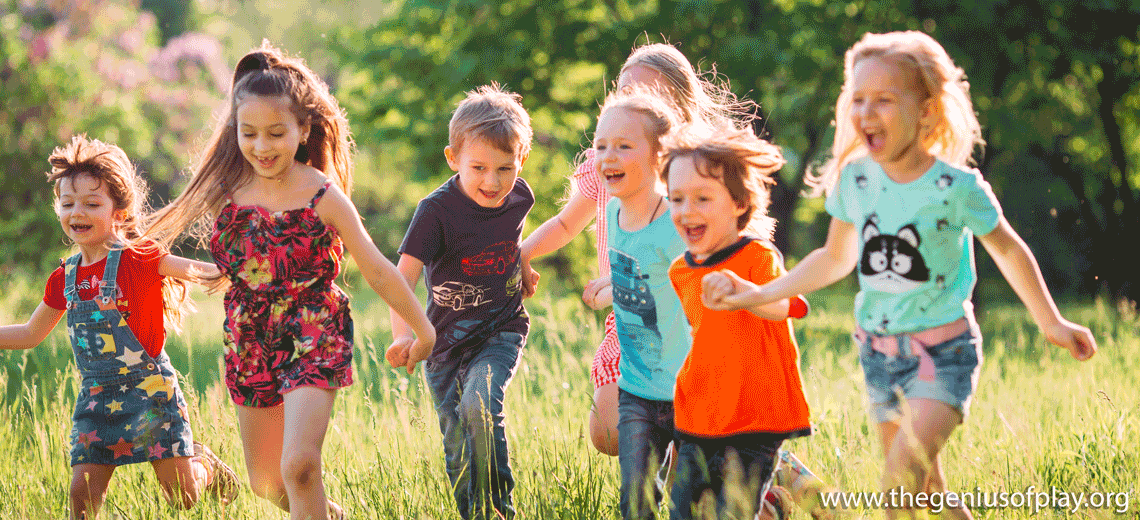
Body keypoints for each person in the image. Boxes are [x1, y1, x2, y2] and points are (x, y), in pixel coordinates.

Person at [702, 31, 1098, 520]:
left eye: (884, 100)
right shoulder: (856, 180)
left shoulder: (956, 187)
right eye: (859, 100)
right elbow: (833, 258)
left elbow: (1010, 251)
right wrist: (758, 293)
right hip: (881, 358)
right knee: (926, 491)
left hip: (942, 354)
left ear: (926, 110)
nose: (867, 112)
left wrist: (1052, 323)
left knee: (897, 489)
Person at [145, 43, 436, 520]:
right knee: (267, 483)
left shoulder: (323, 194)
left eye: (276, 133)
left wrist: (423, 330)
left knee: (300, 465)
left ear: (303, 129)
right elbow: (165, 249)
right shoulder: (226, 192)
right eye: (250, 133)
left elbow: (378, 268)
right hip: (248, 338)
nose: (262, 147)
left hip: (314, 329)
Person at [520, 42, 756, 457]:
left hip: (686, 324)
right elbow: (563, 224)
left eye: (649, 98)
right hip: (631, 324)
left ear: (675, 116)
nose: (633, 105)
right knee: (611, 431)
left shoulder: (686, 179)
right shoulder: (603, 167)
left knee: (698, 421)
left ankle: (762, 472)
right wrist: (519, 254)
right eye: (625, 94)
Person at [0, 136, 239, 520]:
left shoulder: (140, 257)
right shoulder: (64, 278)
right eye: (68, 203)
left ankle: (204, 467)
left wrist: (240, 267)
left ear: (121, 213)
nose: (78, 211)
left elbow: (201, 271)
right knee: (81, 494)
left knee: (183, 497)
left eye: (92, 204)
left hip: (151, 391)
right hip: (97, 398)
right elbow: (31, 333)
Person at [386, 84, 534, 520]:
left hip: (501, 328)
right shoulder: (435, 212)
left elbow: (510, 236)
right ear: (453, 159)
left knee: (480, 404)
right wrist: (406, 336)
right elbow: (401, 280)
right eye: (479, 167)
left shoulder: (520, 196)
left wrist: (521, 264)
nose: (493, 181)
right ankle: (475, 513)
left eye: (505, 168)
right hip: (444, 344)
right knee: (457, 446)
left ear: (521, 160)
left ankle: (500, 509)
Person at [662, 125, 810, 520]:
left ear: (740, 203)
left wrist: (745, 291)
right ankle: (774, 507)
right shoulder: (682, 270)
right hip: (700, 413)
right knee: (686, 512)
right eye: (676, 199)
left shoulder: (757, 257)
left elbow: (784, 307)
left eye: (702, 198)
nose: (686, 210)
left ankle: (766, 505)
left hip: (755, 416)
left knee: (733, 511)